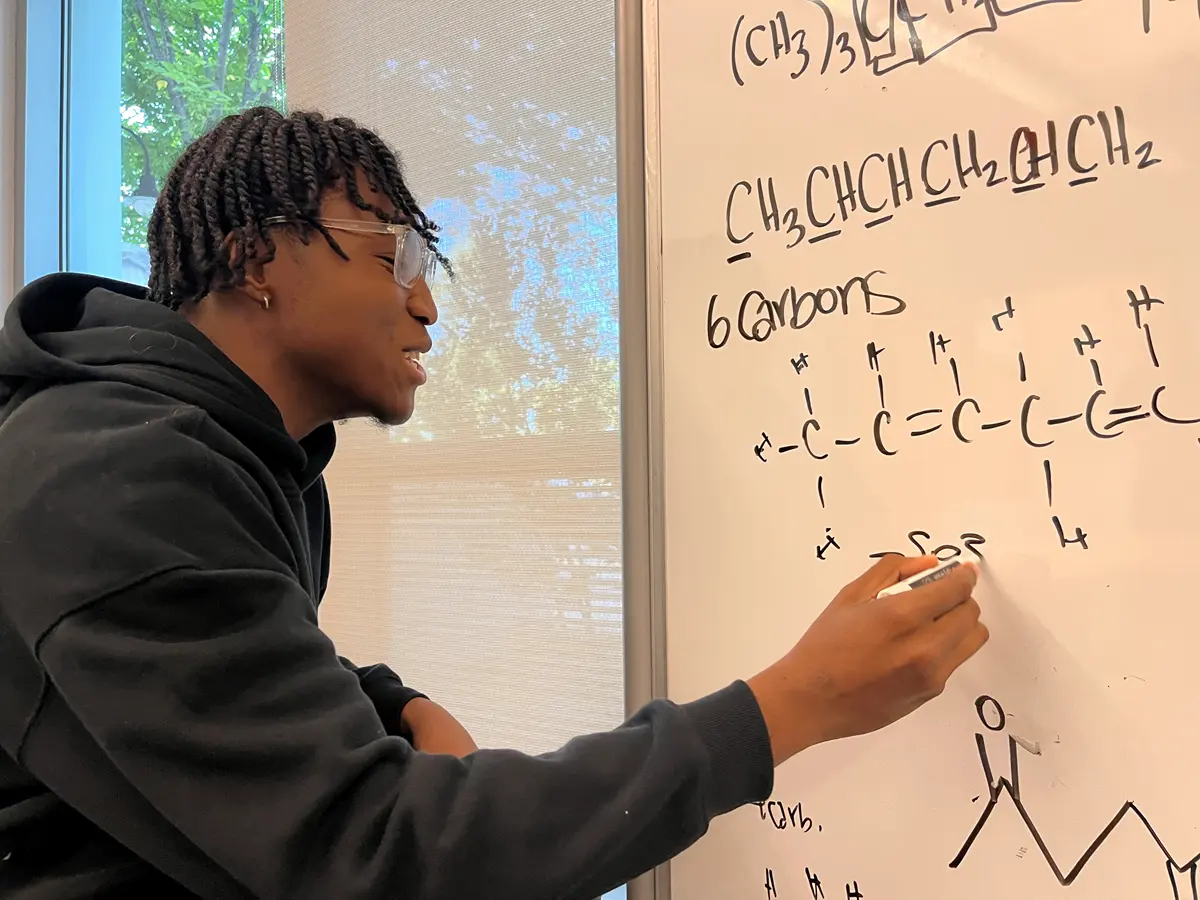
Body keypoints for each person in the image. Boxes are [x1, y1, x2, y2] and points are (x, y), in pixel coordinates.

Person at [0, 106, 988, 900]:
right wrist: (794, 704)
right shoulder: (119, 475)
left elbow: (225, 649)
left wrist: (393, 702)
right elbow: (382, 856)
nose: (426, 305)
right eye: (395, 257)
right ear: (256, 260)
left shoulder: (222, 458)